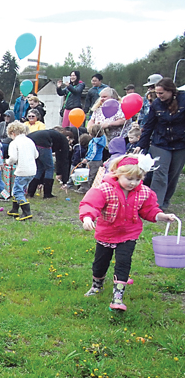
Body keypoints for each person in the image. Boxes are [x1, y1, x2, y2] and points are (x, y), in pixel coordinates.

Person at [79, 155, 176, 311]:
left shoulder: (144, 192)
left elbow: (149, 210)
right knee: (100, 263)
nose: (133, 183)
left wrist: (161, 216)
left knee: (124, 263)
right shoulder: (105, 189)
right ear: (118, 174)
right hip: (107, 233)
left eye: (137, 179)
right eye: (129, 178)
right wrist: (88, 217)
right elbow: (91, 204)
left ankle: (118, 297)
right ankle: (97, 286)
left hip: (129, 234)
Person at [137, 77, 185, 210]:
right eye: (157, 93)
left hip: (180, 143)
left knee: (173, 174)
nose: (158, 96)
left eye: (161, 93)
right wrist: (141, 144)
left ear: (170, 91)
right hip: (160, 142)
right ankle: (154, 205)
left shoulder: (183, 100)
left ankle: (165, 202)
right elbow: (149, 126)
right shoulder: (156, 104)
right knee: (160, 173)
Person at [5, 121, 38, 220]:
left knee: (17, 192)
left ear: (13, 133)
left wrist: (8, 161)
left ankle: (26, 212)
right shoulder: (30, 141)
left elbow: (13, 158)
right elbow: (36, 155)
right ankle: (14, 210)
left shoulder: (14, 143)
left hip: (22, 170)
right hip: (32, 170)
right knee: (19, 188)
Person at [28, 128, 71, 198]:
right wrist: (65, 181)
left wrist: (41, 182)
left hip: (32, 141)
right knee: (49, 167)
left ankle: (30, 192)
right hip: (42, 143)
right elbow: (64, 160)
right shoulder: (64, 140)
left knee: (40, 167)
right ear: (68, 138)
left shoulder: (55, 136)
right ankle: (47, 194)